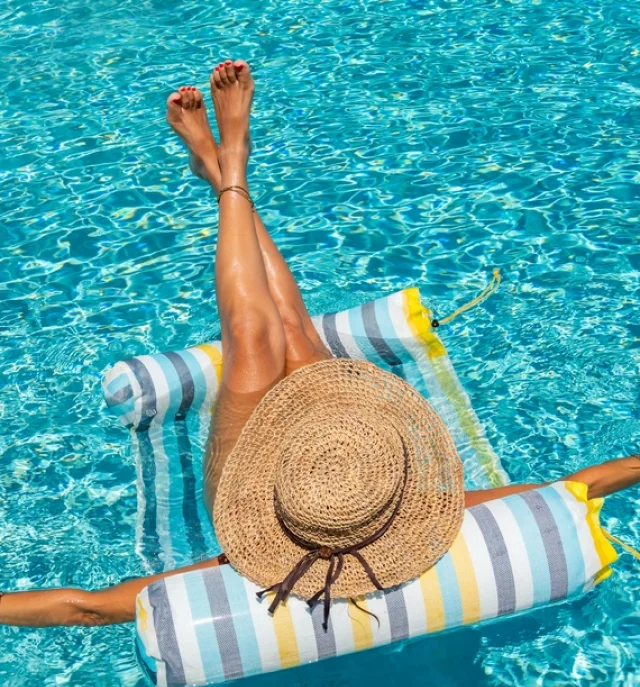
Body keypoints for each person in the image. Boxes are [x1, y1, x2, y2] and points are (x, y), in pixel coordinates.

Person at [2, 60, 639, 630]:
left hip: (262, 488)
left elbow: (86, 604)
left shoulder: (242, 565)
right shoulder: (427, 512)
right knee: (298, 333)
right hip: (343, 442)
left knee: (253, 338)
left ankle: (227, 168)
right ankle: (225, 167)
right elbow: (577, 486)